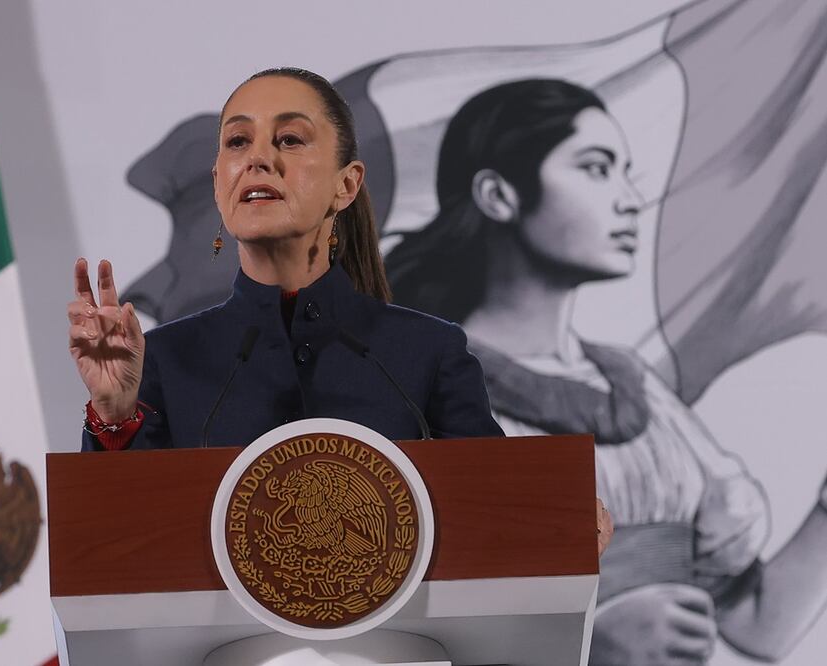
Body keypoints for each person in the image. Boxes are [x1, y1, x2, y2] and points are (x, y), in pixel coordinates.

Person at [386, 78, 827, 665]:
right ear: (498, 195)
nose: (628, 198)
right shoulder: (421, 389)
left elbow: (757, 626)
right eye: (595, 169)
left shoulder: (635, 386)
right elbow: (383, 630)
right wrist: (587, 640)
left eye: (625, 171)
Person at [67, 68, 507, 453]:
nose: (258, 158)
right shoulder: (161, 360)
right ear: (219, 184)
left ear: (347, 184)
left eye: (290, 139)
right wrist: (113, 414)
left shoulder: (429, 352)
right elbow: (120, 531)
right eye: (238, 141)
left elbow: (498, 511)